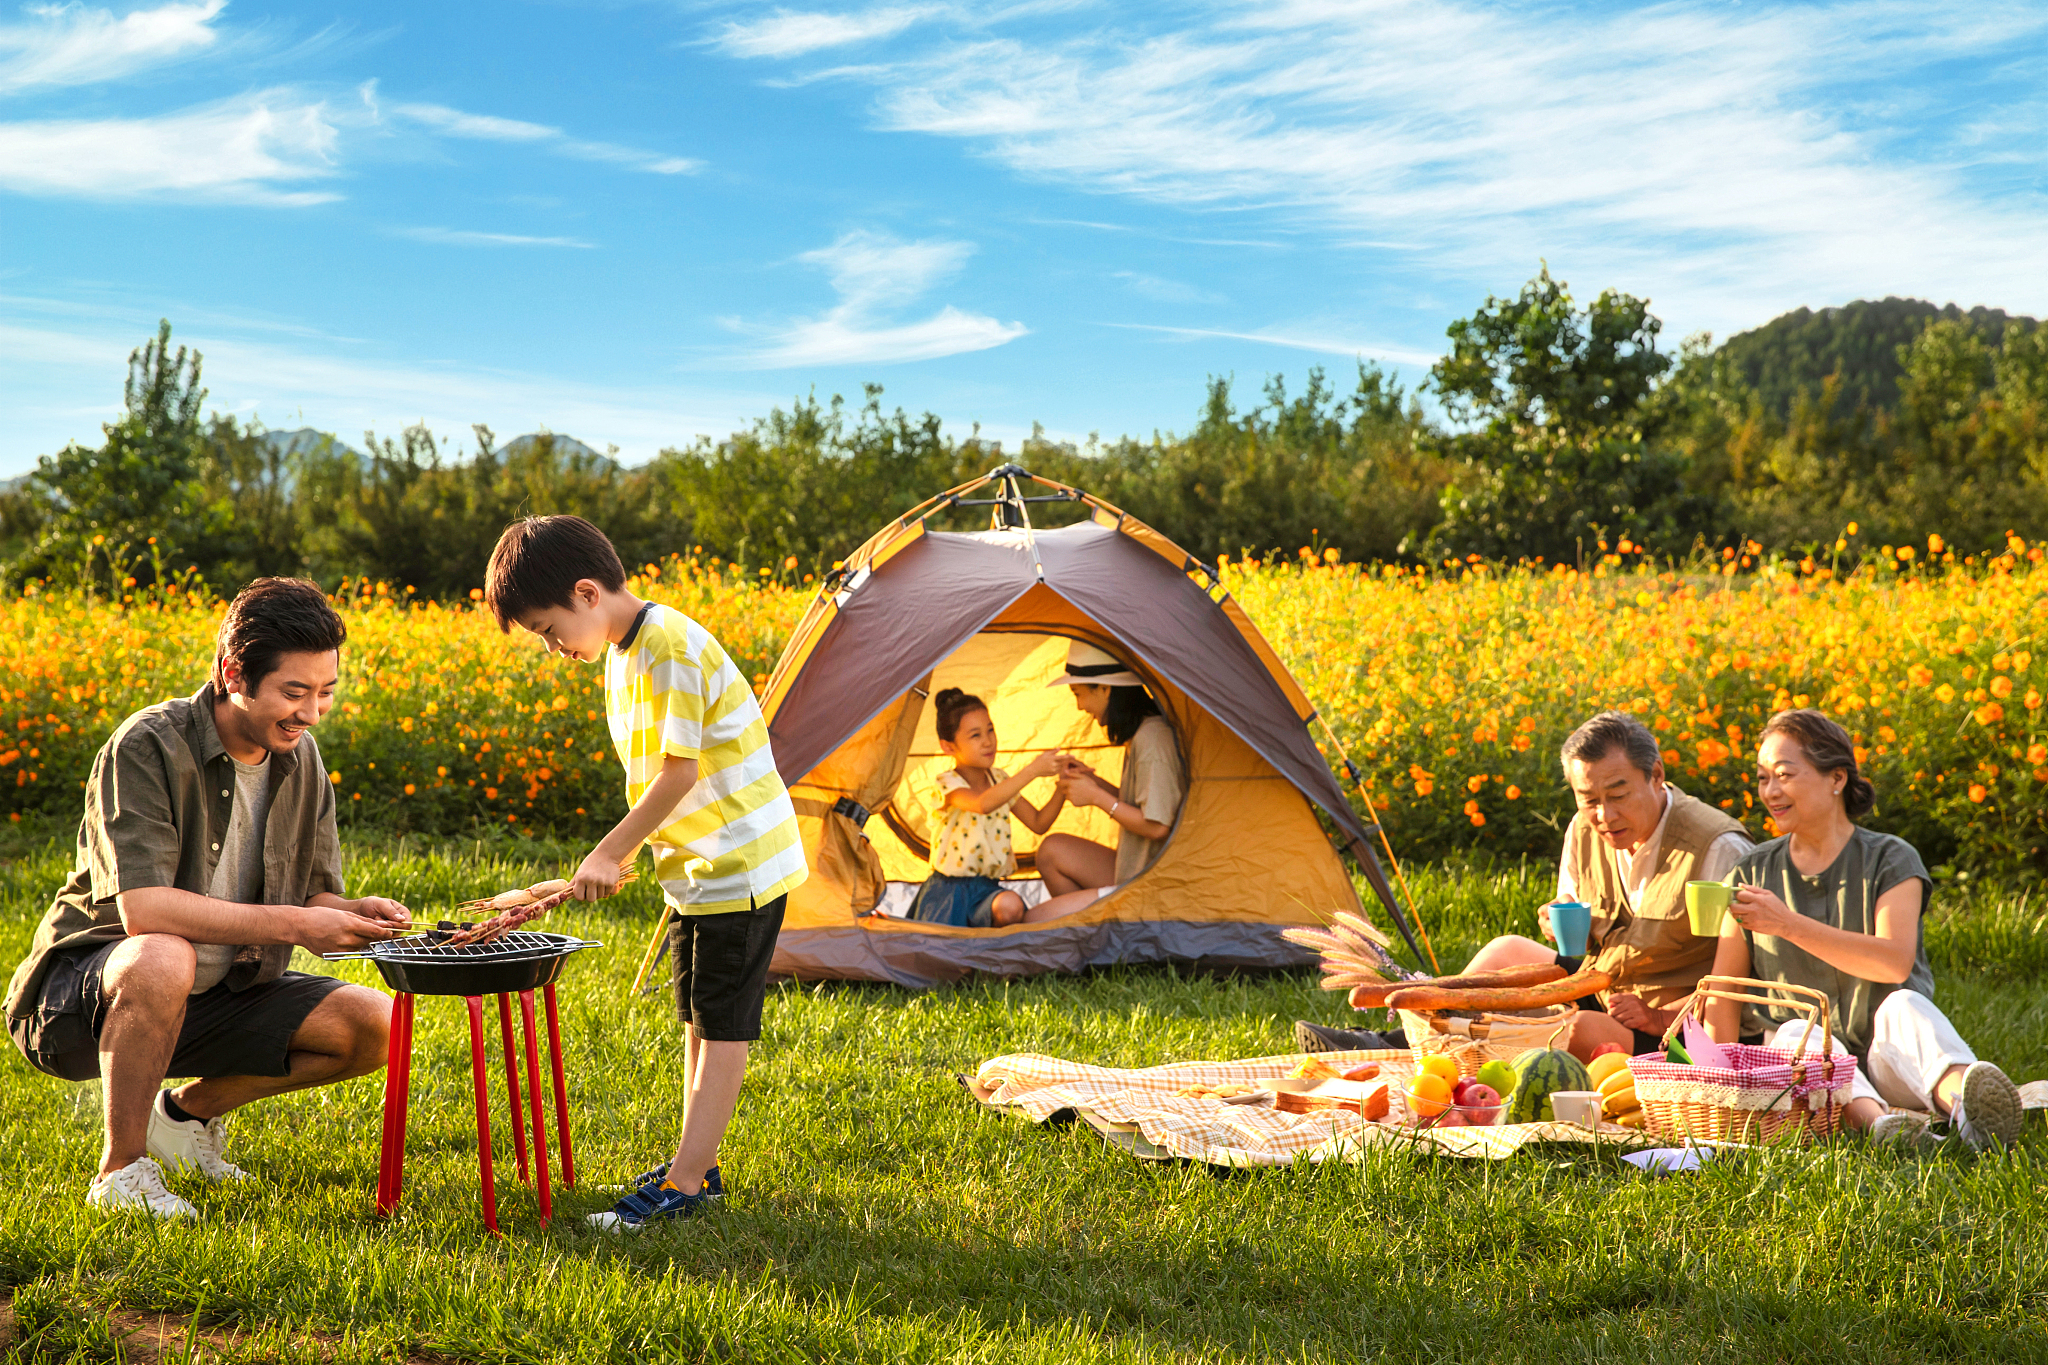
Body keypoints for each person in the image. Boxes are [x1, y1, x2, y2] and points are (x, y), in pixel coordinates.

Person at [4, 579, 408, 1221]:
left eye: (325, 692)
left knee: (378, 1026)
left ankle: (183, 1116)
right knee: (164, 955)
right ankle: (122, 1172)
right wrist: (298, 924)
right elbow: (146, 912)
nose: (312, 713)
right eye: (294, 693)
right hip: (84, 1003)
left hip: (221, 995)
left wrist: (352, 910)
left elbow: (312, 893)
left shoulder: (302, 762)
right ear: (232, 673)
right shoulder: (147, 746)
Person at [486, 515, 808, 1229]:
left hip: (741, 865)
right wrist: (640, 850)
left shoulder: (666, 645)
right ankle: (698, 1163)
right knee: (695, 1014)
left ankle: (685, 1187)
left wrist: (612, 850)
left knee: (722, 1026)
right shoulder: (620, 655)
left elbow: (679, 773)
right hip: (701, 867)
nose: (552, 647)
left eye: (548, 628)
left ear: (586, 593)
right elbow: (658, 778)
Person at [1296, 710, 1750, 1057]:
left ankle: (1439, 1053)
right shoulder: (1584, 828)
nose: (1604, 815)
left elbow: (1749, 978)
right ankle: (1397, 1042)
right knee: (1505, 952)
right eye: (1589, 799)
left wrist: (1657, 1016)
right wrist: (1562, 925)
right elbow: (1580, 922)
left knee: (1572, 1031)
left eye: (1618, 794)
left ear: (1655, 776)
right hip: (1601, 986)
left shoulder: (1718, 847)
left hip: (1676, 1030)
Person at [1705, 709, 2021, 1150]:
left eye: (1784, 775)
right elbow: (1725, 992)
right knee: (1796, 1030)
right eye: (1762, 778)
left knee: (1904, 1003)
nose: (1770, 791)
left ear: (1836, 779)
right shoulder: (1750, 872)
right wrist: (1716, 1089)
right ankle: (1886, 1131)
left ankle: (1970, 1112)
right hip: (1808, 1072)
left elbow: (1892, 961)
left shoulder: (1892, 859)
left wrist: (1787, 924)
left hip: (1895, 1061)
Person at [1027, 642, 1186, 923]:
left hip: (1152, 883)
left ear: (1105, 688)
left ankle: (1106, 932)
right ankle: (1097, 929)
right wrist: (1094, 783)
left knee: (1034, 921)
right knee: (1051, 851)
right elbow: (1144, 804)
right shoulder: (1141, 733)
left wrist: (1097, 798)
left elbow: (1158, 825)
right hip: (1133, 866)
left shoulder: (1152, 740)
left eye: (1078, 693)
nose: (1079, 706)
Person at [907, 688, 1066, 928]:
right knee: (943, 958)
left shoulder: (1000, 780)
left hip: (986, 891)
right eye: (975, 735)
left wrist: (1063, 788)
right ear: (948, 747)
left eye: (990, 730)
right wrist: (1033, 770)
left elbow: (1039, 823)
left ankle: (992, 954)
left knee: (1011, 905)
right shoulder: (947, 784)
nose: (988, 741)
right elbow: (981, 804)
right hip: (948, 892)